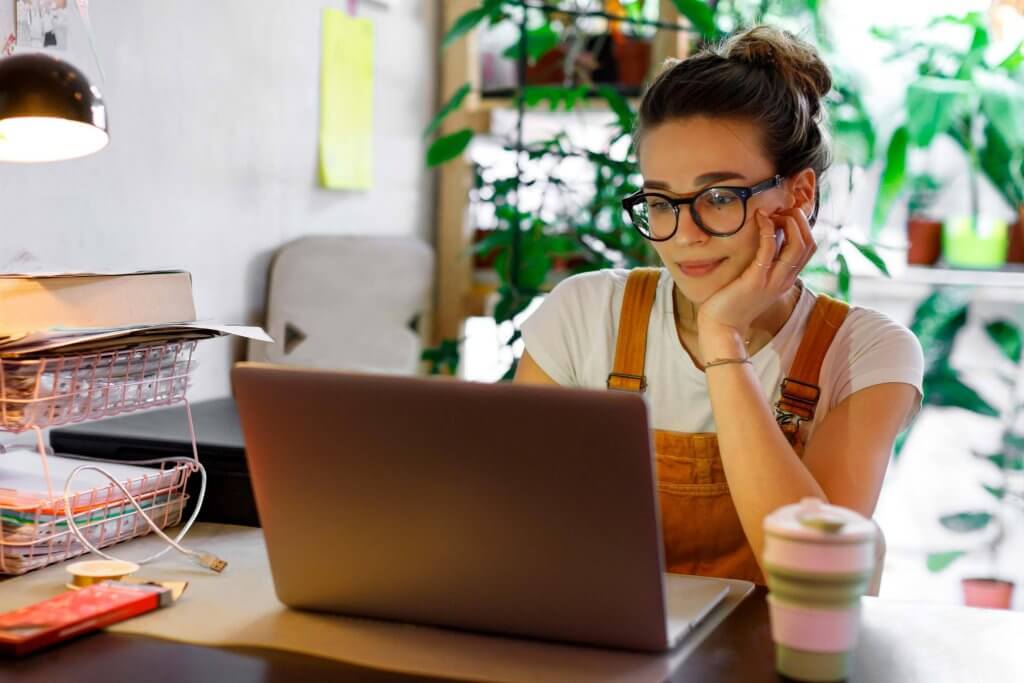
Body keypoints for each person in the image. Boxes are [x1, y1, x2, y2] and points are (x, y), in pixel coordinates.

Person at [515, 25, 924, 585]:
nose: (683, 234)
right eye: (661, 201)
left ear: (799, 194)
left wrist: (722, 341)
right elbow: (518, 528)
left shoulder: (866, 354)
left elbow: (816, 573)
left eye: (719, 197)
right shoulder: (586, 313)